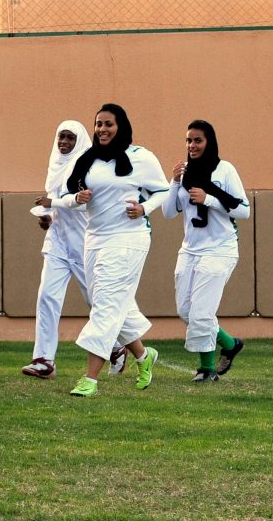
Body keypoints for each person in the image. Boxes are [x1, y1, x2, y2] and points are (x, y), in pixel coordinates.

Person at [63, 103, 168, 397]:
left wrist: (144, 208)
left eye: (108, 124)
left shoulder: (141, 157)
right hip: (94, 240)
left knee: (106, 306)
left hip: (128, 240)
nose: (102, 129)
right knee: (108, 303)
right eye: (98, 124)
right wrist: (77, 198)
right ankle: (144, 356)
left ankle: (90, 379)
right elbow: (69, 195)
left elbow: (163, 190)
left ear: (120, 126)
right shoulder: (88, 159)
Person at [22, 121, 128, 379]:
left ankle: (117, 347)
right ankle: (44, 360)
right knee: (47, 297)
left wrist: (53, 202)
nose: (64, 142)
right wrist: (48, 217)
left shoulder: (87, 165)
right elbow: (56, 204)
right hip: (58, 242)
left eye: (70, 138)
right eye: (61, 136)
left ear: (79, 140)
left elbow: (83, 203)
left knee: (97, 302)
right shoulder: (56, 164)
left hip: (84, 244)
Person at [161, 120, 249, 382]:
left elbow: (244, 210)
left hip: (219, 249)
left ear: (209, 141)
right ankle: (230, 344)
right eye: (188, 140)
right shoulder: (184, 173)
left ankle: (207, 369)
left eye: (197, 140)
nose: (192, 145)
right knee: (186, 311)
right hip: (190, 250)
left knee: (201, 313)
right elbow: (168, 212)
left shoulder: (225, 169)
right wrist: (174, 182)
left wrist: (209, 199)